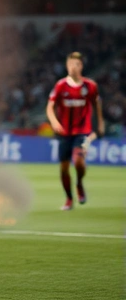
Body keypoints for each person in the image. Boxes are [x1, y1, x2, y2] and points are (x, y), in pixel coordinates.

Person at [45, 51, 104, 210]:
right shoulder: (60, 85)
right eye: (70, 64)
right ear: (67, 66)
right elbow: (50, 107)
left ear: (81, 66)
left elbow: (97, 104)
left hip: (82, 131)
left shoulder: (90, 86)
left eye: (76, 64)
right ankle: (69, 199)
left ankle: (79, 184)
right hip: (64, 132)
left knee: (78, 161)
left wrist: (100, 123)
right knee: (64, 167)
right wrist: (54, 121)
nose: (73, 67)